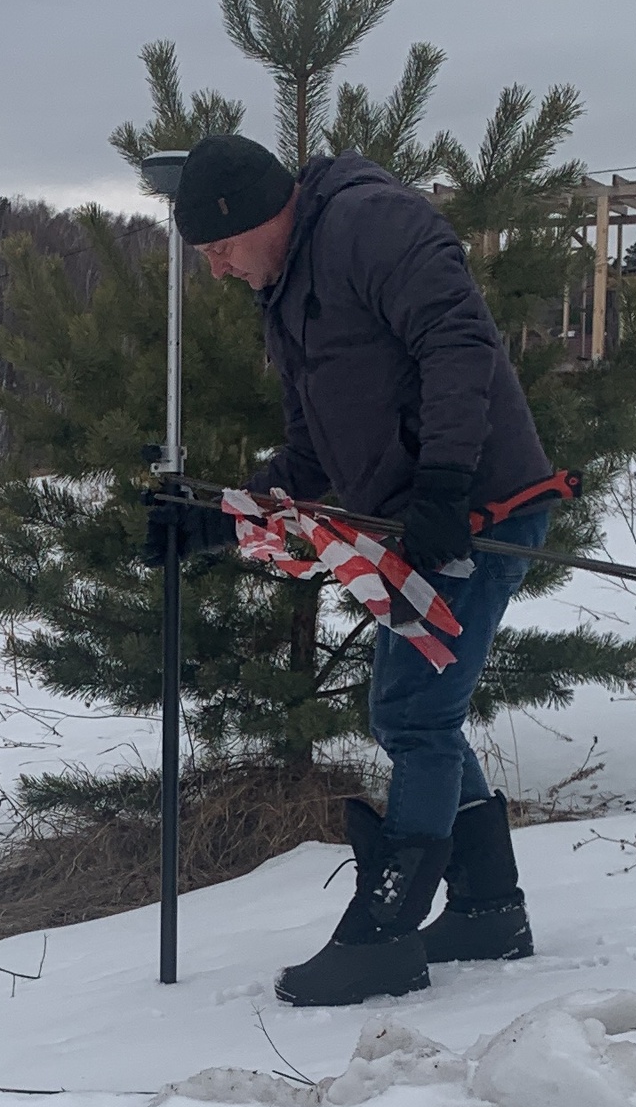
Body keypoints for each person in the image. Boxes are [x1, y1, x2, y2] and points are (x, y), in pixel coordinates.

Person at [169, 130, 564, 1007]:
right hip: (424, 515)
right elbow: (314, 452)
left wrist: (444, 484)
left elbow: (459, 342)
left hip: (480, 508)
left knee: (414, 712)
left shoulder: (372, 224)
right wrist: (223, 518)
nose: (220, 271)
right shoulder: (287, 291)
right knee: (413, 712)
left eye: (220, 249)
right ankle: (489, 907)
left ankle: (386, 931)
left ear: (258, 214)